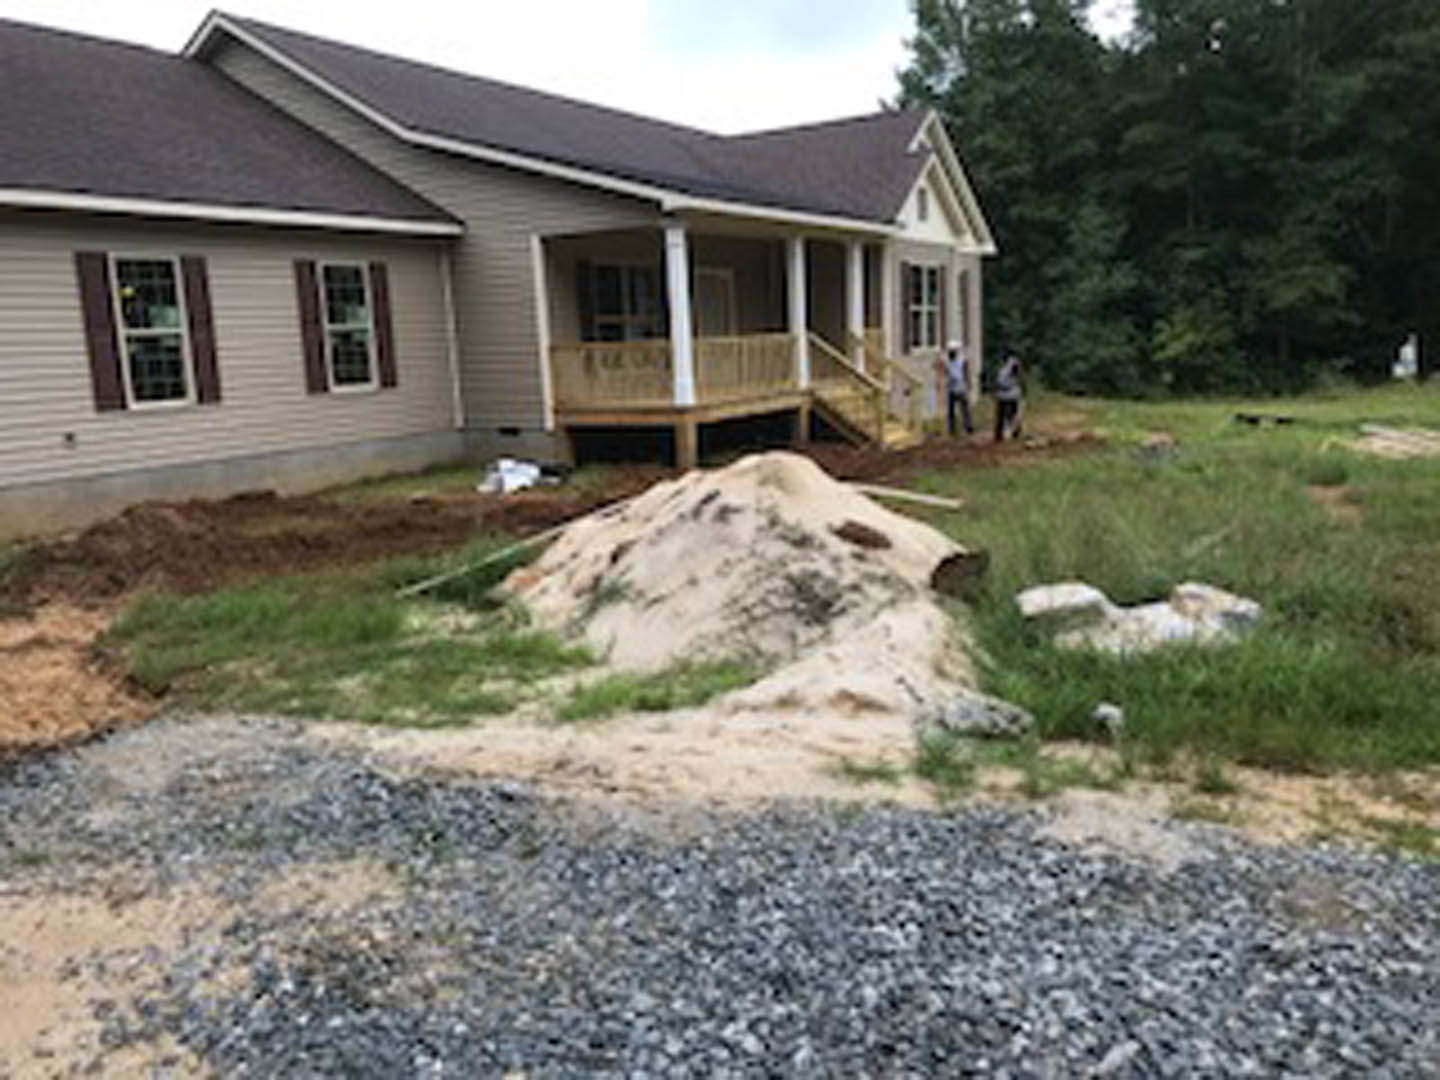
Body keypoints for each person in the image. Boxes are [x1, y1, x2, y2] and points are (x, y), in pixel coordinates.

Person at [944, 340, 973, 437]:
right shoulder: (947, 362)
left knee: (964, 408)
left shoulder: (961, 361)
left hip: (960, 387)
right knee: (951, 410)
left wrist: (968, 383)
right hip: (951, 388)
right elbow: (945, 372)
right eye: (950, 351)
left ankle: (968, 426)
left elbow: (966, 372)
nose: (950, 354)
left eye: (952, 351)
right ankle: (952, 429)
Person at [993, 346, 1023, 442]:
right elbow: (997, 378)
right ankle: (999, 435)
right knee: (1000, 415)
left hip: (1012, 392)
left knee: (1012, 414)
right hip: (1001, 393)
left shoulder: (1014, 363)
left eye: (1004, 354)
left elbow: (1018, 375)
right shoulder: (1000, 364)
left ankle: (1015, 430)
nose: (1002, 355)